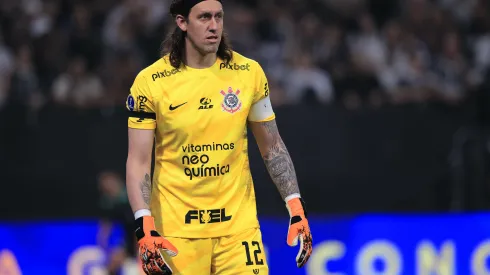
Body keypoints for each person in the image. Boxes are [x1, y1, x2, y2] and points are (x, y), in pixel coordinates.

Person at [125, 0, 312, 274]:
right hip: (175, 233)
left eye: (218, 17)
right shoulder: (151, 82)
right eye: (203, 18)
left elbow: (272, 146)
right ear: (182, 22)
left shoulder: (249, 74)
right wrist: (144, 225)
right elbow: (139, 161)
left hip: (238, 231)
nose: (214, 26)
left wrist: (296, 206)